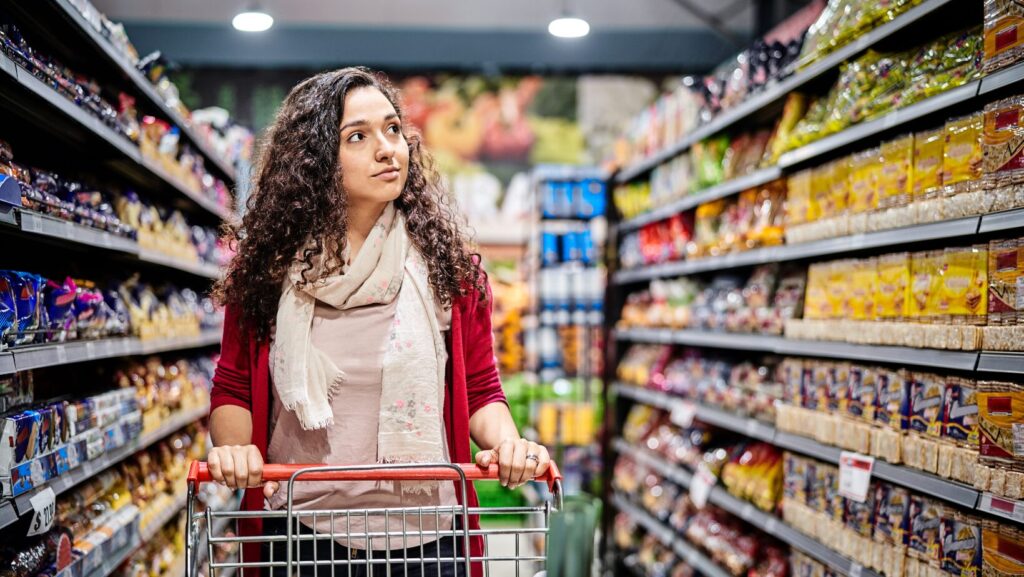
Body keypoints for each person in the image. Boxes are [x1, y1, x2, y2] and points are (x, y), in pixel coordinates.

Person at [207, 66, 551, 577]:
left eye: (393, 130)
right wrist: (236, 452)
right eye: (358, 137)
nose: (388, 148)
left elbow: (480, 389)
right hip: (301, 538)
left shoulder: (448, 271)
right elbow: (234, 386)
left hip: (429, 539)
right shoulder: (267, 274)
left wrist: (509, 444)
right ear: (317, 161)